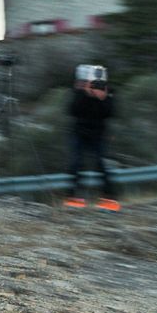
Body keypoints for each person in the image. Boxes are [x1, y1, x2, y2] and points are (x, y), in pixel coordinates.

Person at [65, 65, 119, 211]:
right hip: (79, 132)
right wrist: (85, 94)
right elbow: (72, 111)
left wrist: (102, 98)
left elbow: (110, 113)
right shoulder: (79, 92)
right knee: (76, 164)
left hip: (98, 134)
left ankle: (109, 199)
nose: (94, 85)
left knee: (101, 165)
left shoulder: (108, 92)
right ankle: (74, 198)